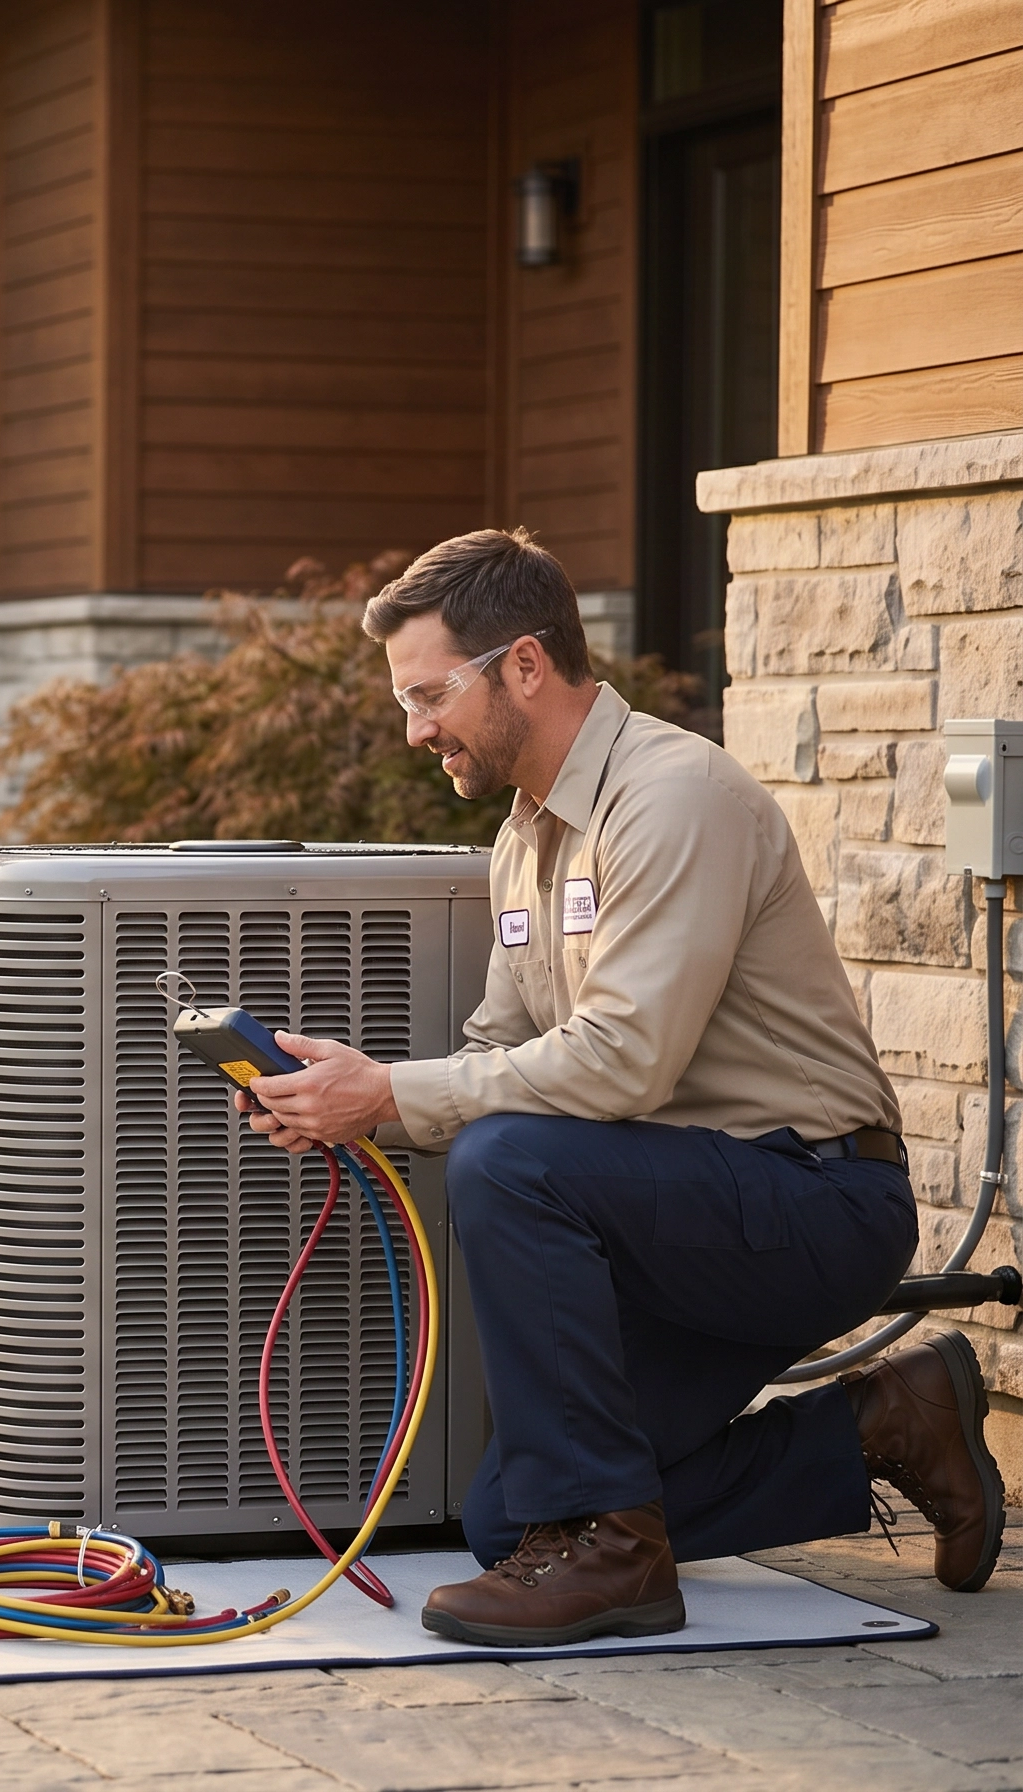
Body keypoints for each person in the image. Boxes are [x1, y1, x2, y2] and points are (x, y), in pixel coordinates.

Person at [238, 527, 1006, 1647]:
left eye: (428, 694)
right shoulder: (525, 840)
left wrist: (395, 1092)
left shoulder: (672, 795)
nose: (415, 730)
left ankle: (618, 1563)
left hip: (814, 1197)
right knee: (512, 1514)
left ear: (526, 666)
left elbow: (621, 1060)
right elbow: (501, 1047)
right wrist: (345, 1106)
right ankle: (890, 1420)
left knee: (511, 1161)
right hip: (680, 1211)